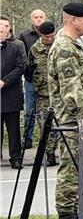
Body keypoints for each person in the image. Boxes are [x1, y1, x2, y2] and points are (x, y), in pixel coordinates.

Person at [47, 3, 83, 219]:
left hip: (79, 119)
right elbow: (71, 90)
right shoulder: (65, 48)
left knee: (78, 166)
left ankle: (76, 214)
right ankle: (67, 218)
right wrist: (82, 121)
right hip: (73, 121)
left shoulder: (72, 45)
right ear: (72, 20)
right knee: (71, 167)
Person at [28, 21, 60, 166]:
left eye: (52, 36)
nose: (49, 39)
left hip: (60, 92)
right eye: (46, 37)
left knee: (63, 123)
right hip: (43, 94)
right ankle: (50, 153)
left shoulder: (60, 45)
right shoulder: (35, 49)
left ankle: (65, 153)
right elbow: (29, 70)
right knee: (45, 125)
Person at [1, 15, 27, 169]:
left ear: (9, 29)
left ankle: (15, 158)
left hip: (10, 93)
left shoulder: (17, 45)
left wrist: (4, 81)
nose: (1, 29)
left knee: (13, 130)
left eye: (5, 26)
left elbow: (21, 66)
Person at [20, 9, 47, 149]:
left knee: (47, 111)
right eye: (35, 17)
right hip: (31, 79)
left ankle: (47, 138)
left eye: (41, 17)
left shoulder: (50, 34)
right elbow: (22, 57)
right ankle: (28, 138)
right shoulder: (24, 36)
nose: (38, 19)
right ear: (32, 20)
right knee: (30, 110)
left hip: (47, 81)